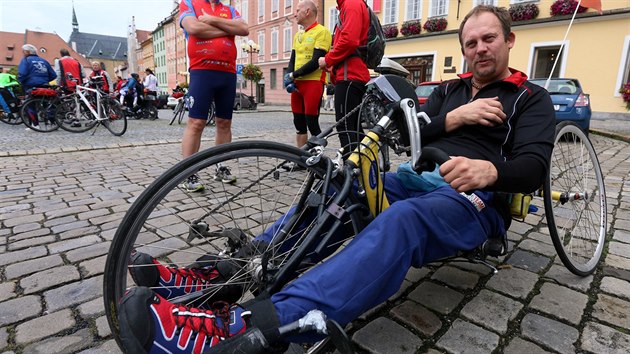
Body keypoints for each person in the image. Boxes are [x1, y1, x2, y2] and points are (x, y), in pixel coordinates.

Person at [117, 5, 556, 353]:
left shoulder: (530, 98)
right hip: (423, 177)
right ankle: (227, 274)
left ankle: (248, 328)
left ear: (509, 40)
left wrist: (490, 170)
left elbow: (534, 167)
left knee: (402, 220)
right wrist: (454, 117)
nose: (480, 49)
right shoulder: (449, 92)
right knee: (339, 189)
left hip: (473, 200)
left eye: (489, 39)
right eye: (471, 42)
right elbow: (409, 136)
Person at [177, 0, 249, 191]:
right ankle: (188, 172)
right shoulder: (189, 3)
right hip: (202, 70)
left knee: (224, 123)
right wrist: (228, 29)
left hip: (227, 72)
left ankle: (221, 166)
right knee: (196, 123)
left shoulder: (229, 9)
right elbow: (193, 28)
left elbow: (243, 28)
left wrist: (210, 20)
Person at [318, 0, 371, 156]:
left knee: (346, 126)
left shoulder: (351, 3)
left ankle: (353, 171)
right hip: (352, 74)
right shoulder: (349, 4)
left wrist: (327, 60)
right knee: (354, 127)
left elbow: (349, 40)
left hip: (350, 76)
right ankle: (365, 168)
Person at [282, 0, 331, 158]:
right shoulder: (298, 35)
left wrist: (293, 75)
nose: (295, 14)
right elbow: (293, 59)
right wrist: (289, 77)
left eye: (297, 10)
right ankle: (302, 158)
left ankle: (319, 158)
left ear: (308, 11)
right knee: (298, 122)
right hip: (297, 84)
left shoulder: (322, 32)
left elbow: (316, 61)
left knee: (312, 122)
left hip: (313, 82)